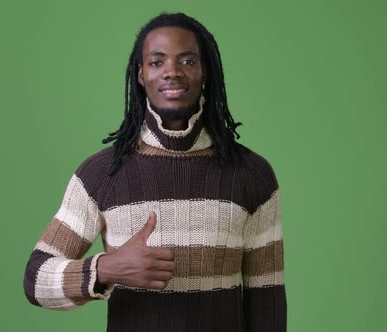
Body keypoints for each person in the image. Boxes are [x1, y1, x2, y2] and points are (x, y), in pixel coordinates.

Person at [23, 12, 287, 331]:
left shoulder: (251, 175)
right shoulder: (101, 173)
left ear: (206, 72)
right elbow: (36, 279)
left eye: (188, 61)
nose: (172, 72)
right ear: (140, 75)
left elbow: (267, 302)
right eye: (157, 62)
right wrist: (107, 269)